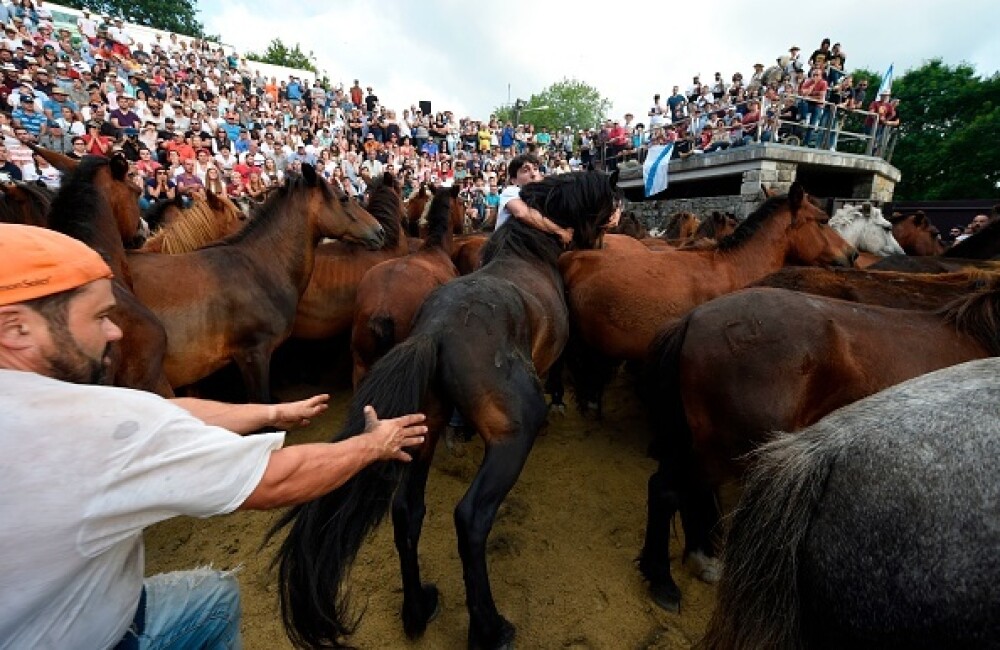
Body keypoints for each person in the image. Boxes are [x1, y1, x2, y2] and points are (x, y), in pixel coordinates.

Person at [0, 223, 428, 649]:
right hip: (95, 638)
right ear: (17, 329)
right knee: (215, 603)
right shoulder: (91, 423)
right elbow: (275, 478)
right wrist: (374, 444)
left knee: (213, 594)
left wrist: (270, 411)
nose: (115, 332)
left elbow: (164, 412)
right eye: (99, 317)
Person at [493, 153, 573, 245]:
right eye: (526, 170)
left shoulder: (544, 195)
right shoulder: (511, 191)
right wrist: (560, 231)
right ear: (514, 180)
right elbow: (522, 213)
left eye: (535, 169)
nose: (533, 174)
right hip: (505, 248)